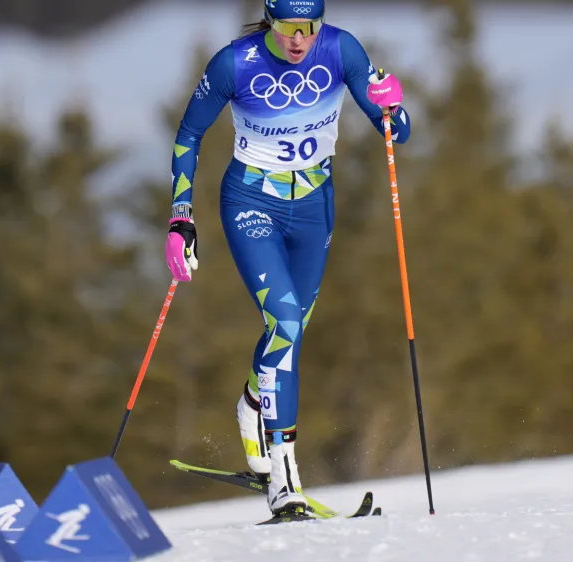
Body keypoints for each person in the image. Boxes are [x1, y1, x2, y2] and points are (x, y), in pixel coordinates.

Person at [164, 0, 410, 517]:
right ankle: (284, 477)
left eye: (308, 28)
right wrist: (181, 215)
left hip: (315, 207)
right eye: (287, 28)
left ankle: (254, 401)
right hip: (251, 202)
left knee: (293, 329)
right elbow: (189, 133)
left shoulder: (341, 50)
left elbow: (395, 132)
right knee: (287, 321)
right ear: (269, 20)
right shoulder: (235, 64)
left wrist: (393, 107)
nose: (298, 40)